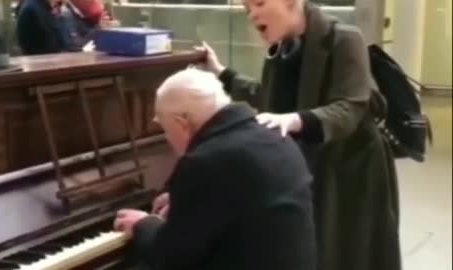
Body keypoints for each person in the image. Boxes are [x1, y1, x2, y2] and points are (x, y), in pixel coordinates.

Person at [154, 1, 402, 270]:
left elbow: (349, 107)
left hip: (350, 171)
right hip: (308, 163)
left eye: (259, 3)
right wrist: (222, 73)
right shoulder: (281, 49)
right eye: (248, 9)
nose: (253, 15)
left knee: (348, 253)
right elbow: (266, 96)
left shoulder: (344, 38)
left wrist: (294, 120)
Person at [113, 68, 317, 270]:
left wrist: (143, 224)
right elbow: (233, 197)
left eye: (165, 129)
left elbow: (171, 256)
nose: (167, 138)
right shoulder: (274, 135)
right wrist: (187, 197)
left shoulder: (205, 161)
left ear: (181, 123)